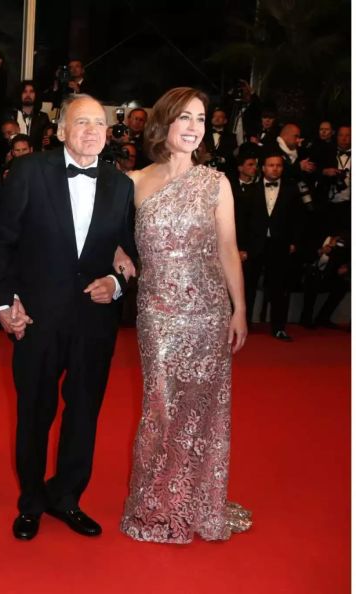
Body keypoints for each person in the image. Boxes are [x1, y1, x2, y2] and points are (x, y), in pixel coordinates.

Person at [0, 93, 135, 541]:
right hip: (36, 317)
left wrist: (117, 284)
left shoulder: (121, 185)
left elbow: (130, 254)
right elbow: (2, 243)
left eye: (99, 123)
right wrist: (2, 303)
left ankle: (67, 496)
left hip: (94, 321)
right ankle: (31, 501)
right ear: (61, 129)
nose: (91, 132)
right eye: (82, 123)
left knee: (84, 412)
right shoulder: (31, 171)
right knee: (35, 412)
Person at [120, 87, 251, 543]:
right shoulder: (134, 182)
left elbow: (228, 250)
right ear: (164, 124)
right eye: (185, 118)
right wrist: (121, 255)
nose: (195, 127)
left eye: (201, 118)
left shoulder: (216, 183)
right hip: (157, 313)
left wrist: (240, 310)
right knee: (160, 407)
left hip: (209, 312)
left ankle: (197, 500)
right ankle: (154, 503)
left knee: (203, 409)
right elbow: (113, 238)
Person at [237, 151, 301, 341]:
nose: (275, 168)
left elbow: (298, 219)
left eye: (278, 165)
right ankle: (244, 325)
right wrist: (241, 247)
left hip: (279, 245)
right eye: (271, 165)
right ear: (263, 168)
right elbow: (241, 222)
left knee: (278, 289)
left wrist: (294, 242)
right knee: (247, 287)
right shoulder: (250, 190)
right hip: (253, 246)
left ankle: (279, 328)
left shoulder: (291, 190)